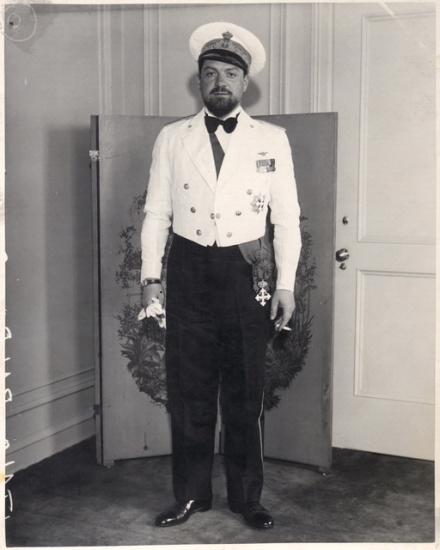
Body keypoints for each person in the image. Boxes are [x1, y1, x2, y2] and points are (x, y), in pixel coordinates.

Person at [140, 21, 302, 530]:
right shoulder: (172, 138)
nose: (219, 83)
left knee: (244, 391)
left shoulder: (271, 139)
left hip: (244, 271)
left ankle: (246, 498)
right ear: (199, 82)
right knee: (189, 389)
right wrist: (151, 278)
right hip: (189, 268)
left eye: (229, 74)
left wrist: (285, 285)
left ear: (245, 83)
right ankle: (191, 497)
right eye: (210, 73)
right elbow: (157, 214)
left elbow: (287, 219)